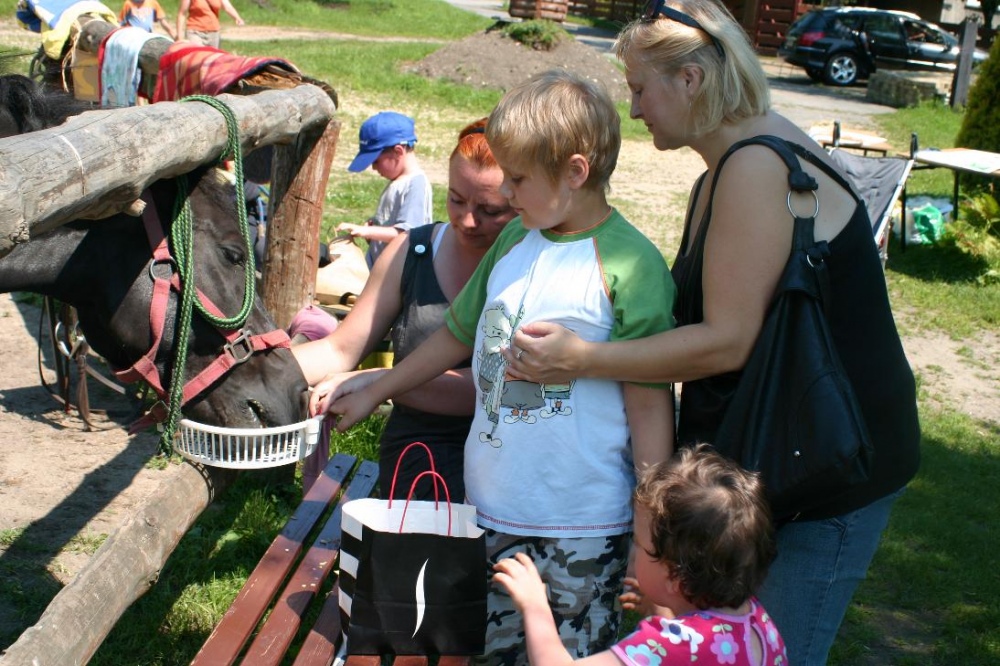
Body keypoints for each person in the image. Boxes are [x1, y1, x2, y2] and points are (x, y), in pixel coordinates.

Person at [501, 2, 921, 664]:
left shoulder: (755, 167)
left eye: (641, 88)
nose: (635, 108)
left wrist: (581, 357)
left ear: (690, 80)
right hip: (792, 450)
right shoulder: (724, 170)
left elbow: (728, 341)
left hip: (833, 468)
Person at [315, 69, 677, 664]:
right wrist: (379, 387)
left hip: (579, 529)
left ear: (575, 172)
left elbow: (649, 409)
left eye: (519, 178)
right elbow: (457, 333)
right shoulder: (514, 243)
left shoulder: (630, 267)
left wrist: (649, 533)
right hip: (487, 513)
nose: (507, 193)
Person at [293, 118, 516, 500]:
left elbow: (497, 389)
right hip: (420, 453)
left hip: (507, 456)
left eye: (491, 210)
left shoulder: (532, 265)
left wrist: (379, 382)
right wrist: (265, 369)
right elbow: (340, 349)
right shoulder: (412, 251)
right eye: (456, 199)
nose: (467, 221)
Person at [493, 444, 788, 665]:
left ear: (674, 577)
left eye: (639, 543)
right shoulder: (757, 624)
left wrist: (535, 606)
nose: (634, 552)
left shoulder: (672, 644)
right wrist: (662, 610)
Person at [339, 111, 433, 268]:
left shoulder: (416, 185)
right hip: (381, 271)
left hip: (398, 277)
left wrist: (365, 231)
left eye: (376, 161)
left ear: (398, 151)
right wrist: (374, 230)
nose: (373, 167)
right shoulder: (397, 181)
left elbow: (406, 235)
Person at [176, 0, 244, 48]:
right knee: (197, 58)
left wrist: (237, 18)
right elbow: (182, 13)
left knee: (212, 61)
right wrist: (180, 37)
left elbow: (228, 7)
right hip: (195, 32)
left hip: (214, 33)